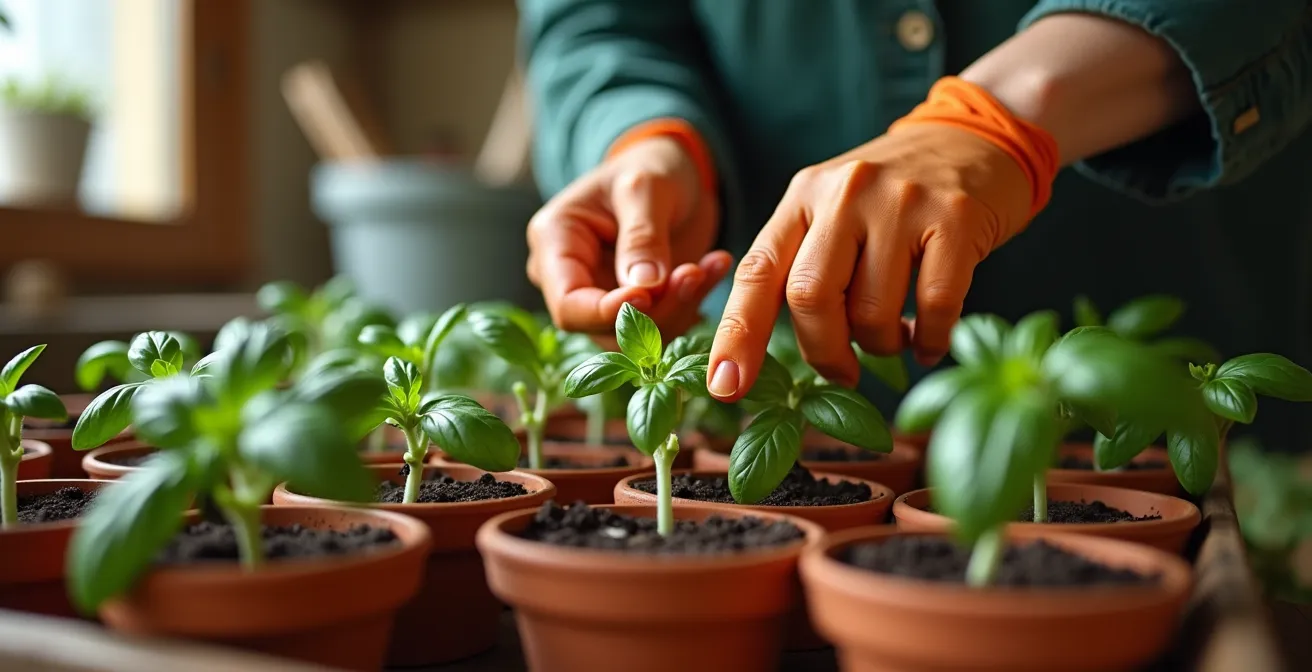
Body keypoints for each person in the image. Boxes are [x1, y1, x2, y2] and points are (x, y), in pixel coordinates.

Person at [517, 0, 1312, 448]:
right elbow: (597, 21)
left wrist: (1009, 113)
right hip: (789, 381)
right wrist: (645, 136)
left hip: (1187, 336)